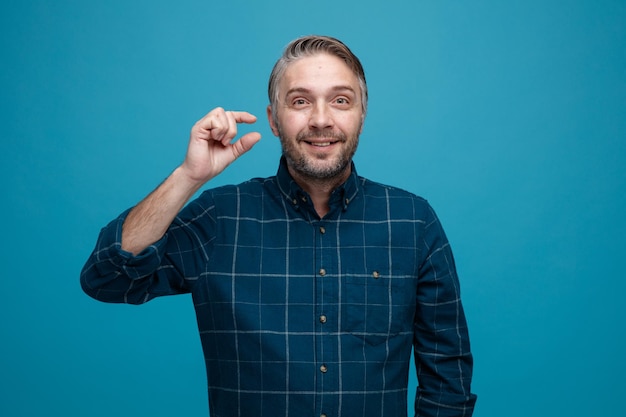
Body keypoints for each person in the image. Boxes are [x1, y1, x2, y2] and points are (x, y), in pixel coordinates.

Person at [81, 35, 477, 417]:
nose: (321, 120)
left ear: (361, 115)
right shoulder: (220, 217)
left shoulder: (412, 221)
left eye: (340, 100)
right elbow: (107, 279)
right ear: (273, 120)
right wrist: (189, 177)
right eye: (300, 101)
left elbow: (448, 375)